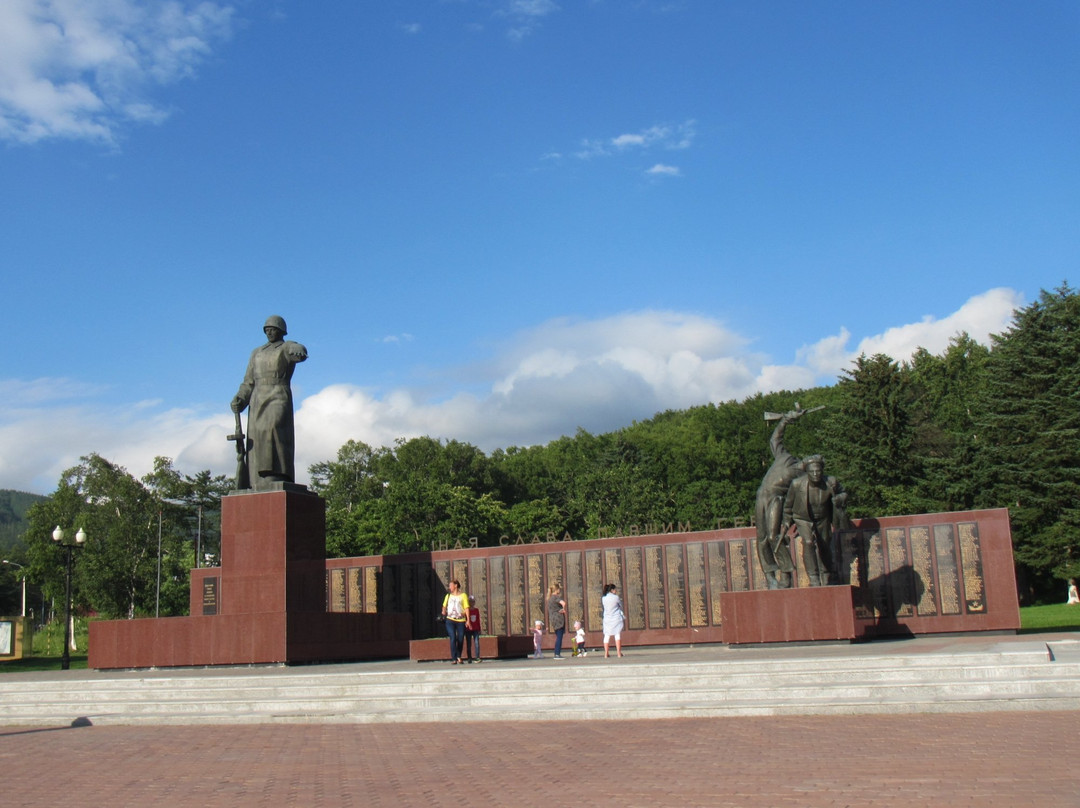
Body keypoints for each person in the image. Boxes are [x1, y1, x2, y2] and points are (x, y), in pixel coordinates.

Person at [231, 315, 308, 491]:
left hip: (278, 394)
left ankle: (277, 472)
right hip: (257, 399)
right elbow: (248, 381)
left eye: (272, 329)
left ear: (281, 330)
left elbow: (299, 350)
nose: (269, 332)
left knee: (272, 428)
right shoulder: (256, 352)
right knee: (257, 436)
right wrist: (240, 398)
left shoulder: (286, 346)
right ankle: (259, 478)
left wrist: (299, 349)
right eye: (266, 330)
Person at [755, 406, 816, 589]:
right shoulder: (784, 457)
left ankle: (786, 573)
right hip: (761, 497)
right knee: (762, 538)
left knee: (774, 536)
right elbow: (775, 439)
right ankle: (770, 576)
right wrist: (786, 421)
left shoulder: (802, 476)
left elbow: (804, 496)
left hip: (776, 499)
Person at [781, 455, 849, 587]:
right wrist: (785, 523)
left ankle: (827, 574)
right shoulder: (797, 484)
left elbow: (844, 493)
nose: (815, 474)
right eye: (812, 472)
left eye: (818, 471)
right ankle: (813, 578)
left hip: (823, 518)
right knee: (808, 542)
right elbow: (788, 506)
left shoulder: (831, 482)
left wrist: (839, 499)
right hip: (803, 518)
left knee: (824, 546)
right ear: (807, 472)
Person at [441, 580, 470, 665]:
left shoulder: (463, 595)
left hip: (460, 620)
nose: (449, 587)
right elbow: (444, 606)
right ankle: (454, 658)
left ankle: (459, 656)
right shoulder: (448, 595)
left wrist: (468, 620)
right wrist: (443, 611)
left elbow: (466, 608)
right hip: (450, 620)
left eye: (451, 585)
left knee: (460, 638)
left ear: (456, 585)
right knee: (453, 637)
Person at [601, 583, 626, 658]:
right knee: (617, 634)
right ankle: (618, 653)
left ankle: (606, 653)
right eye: (615, 589)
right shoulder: (616, 597)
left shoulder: (603, 598)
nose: (616, 591)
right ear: (612, 590)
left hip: (607, 618)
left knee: (607, 635)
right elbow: (620, 605)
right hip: (616, 618)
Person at [546, 582, 567, 659]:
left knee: (558, 636)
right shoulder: (555, 597)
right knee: (559, 637)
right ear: (557, 590)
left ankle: (556, 653)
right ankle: (557, 654)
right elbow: (563, 603)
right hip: (559, 619)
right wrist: (563, 609)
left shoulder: (550, 598)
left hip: (553, 619)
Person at [464, 597, 482, 662]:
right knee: (469, 644)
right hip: (468, 629)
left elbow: (478, 620)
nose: (472, 603)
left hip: (475, 629)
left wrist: (479, 628)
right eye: (470, 601)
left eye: (473, 601)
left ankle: (477, 657)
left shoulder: (476, 610)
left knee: (476, 643)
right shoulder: (467, 610)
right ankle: (469, 658)